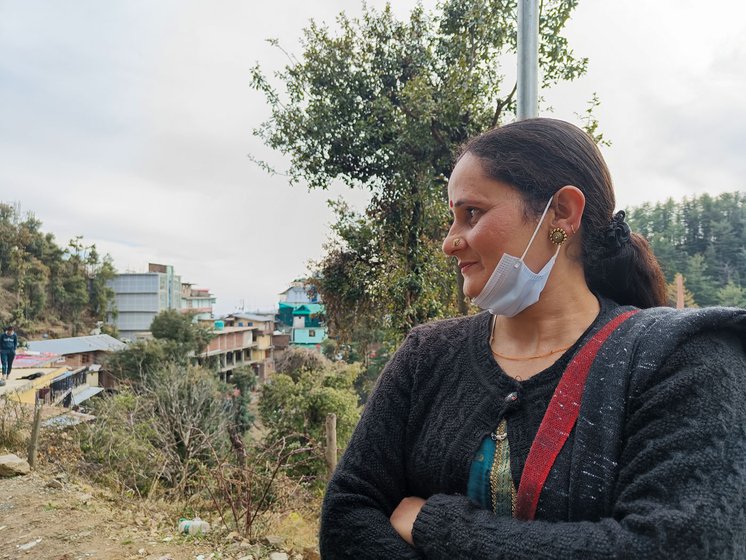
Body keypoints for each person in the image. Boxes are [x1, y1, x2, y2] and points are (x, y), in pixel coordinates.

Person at [319, 118, 746, 559]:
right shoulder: (426, 356)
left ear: (562, 213)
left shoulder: (683, 360)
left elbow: (681, 547)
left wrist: (436, 524)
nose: (450, 242)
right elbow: (347, 514)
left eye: (472, 214)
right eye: (453, 217)